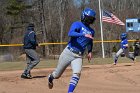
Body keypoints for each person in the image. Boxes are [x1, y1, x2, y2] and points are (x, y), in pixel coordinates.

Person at [47, 8, 96, 93]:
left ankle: (70, 92)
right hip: (68, 52)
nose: (89, 20)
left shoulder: (92, 31)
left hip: (79, 56)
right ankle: (50, 77)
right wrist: (83, 34)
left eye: (91, 19)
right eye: (88, 18)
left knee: (77, 73)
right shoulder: (77, 24)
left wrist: (89, 51)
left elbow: (90, 42)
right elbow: (71, 33)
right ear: (84, 17)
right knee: (57, 75)